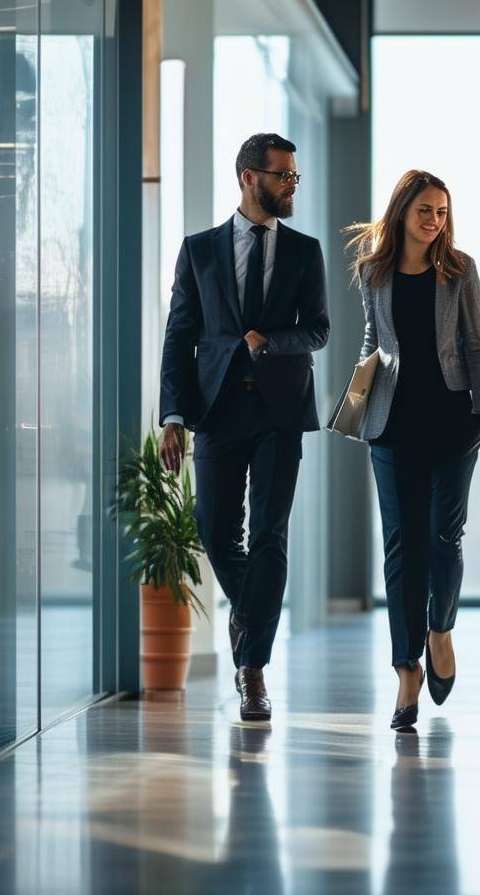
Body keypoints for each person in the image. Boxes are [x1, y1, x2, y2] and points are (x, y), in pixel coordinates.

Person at [158, 132, 330, 722]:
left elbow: (319, 330)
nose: (291, 186)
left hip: (281, 412)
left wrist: (271, 341)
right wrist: (173, 416)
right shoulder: (200, 251)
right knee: (213, 529)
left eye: (295, 176)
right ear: (248, 178)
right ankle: (251, 613)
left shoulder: (305, 252)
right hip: (217, 412)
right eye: (283, 175)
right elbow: (180, 336)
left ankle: (252, 669)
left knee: (270, 537)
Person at [347, 170, 480, 730]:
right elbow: (371, 340)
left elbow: (476, 342)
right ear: (403, 211)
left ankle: (440, 629)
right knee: (401, 547)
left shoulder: (460, 270)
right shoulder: (372, 272)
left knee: (443, 538)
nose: (434, 221)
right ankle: (407, 667)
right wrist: (355, 403)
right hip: (390, 426)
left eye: (441, 211)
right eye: (425, 210)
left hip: (455, 422)